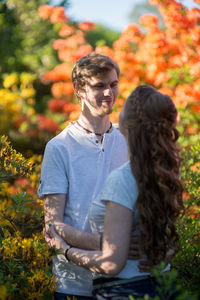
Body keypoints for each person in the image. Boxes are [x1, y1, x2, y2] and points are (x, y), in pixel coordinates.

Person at [47, 85, 184, 299]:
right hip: (162, 285)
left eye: (114, 85)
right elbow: (169, 246)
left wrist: (65, 250)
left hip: (124, 290)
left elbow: (111, 263)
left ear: (128, 125)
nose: (111, 94)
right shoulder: (167, 173)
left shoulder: (123, 179)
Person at [38, 52, 130, 299]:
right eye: (99, 86)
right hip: (73, 285)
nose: (109, 93)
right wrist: (111, 245)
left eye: (113, 84)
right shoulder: (59, 147)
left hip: (121, 283)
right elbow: (53, 225)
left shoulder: (129, 142)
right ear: (78, 89)